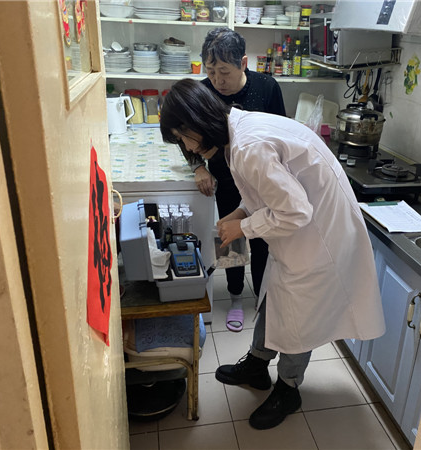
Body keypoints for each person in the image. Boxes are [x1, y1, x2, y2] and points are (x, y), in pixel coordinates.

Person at [160, 79, 385, 430]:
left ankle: (289, 389)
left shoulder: (248, 145)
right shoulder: (239, 130)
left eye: (182, 137)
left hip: (319, 239)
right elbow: (266, 188)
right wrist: (241, 212)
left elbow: (296, 210)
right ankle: (257, 364)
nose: (187, 147)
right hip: (301, 233)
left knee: (299, 318)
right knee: (274, 297)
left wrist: (244, 227)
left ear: (196, 122)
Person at [190, 27, 286, 333]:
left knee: (262, 241)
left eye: (224, 72)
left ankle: (261, 297)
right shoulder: (203, 92)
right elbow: (185, 136)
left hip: (262, 181)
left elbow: (281, 133)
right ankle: (234, 297)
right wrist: (199, 167)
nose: (217, 80)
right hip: (226, 179)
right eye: (211, 71)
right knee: (231, 238)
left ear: (243, 63)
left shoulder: (267, 87)